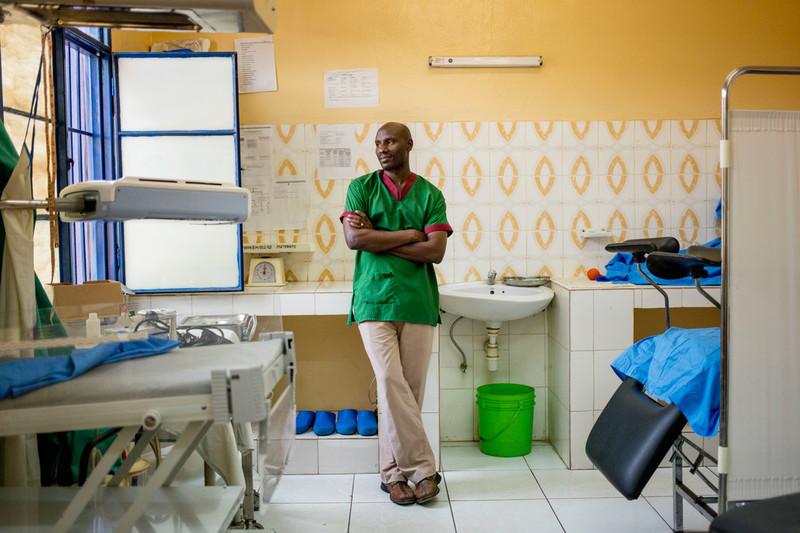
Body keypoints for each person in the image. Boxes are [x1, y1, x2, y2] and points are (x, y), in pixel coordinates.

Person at [340, 122, 452, 505]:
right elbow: (355, 239)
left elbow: (434, 252)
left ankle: (391, 475)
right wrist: (409, 235)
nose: (382, 148)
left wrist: (380, 238)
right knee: (389, 380)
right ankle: (422, 470)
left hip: (418, 300)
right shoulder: (362, 188)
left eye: (389, 141)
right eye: (377, 143)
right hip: (373, 299)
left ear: (408, 144)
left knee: (409, 392)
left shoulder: (430, 194)